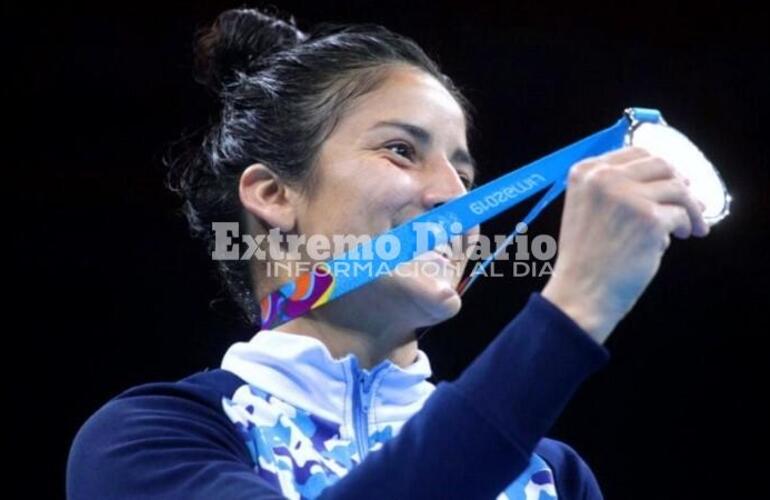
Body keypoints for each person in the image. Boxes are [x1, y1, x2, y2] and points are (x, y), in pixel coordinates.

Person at [66, 7, 709, 499]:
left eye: (466, 175)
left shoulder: (552, 475)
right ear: (272, 194)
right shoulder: (147, 441)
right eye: (402, 150)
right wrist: (574, 310)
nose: (455, 201)